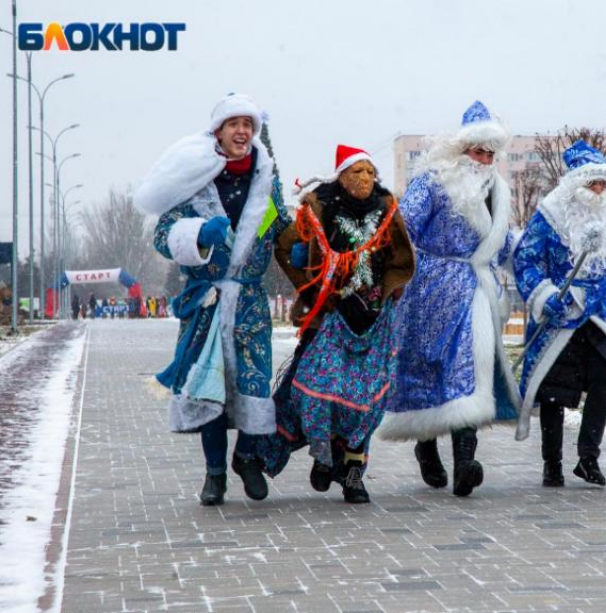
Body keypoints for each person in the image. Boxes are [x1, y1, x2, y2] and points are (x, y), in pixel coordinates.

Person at [134, 93, 290, 506]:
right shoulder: (196, 175)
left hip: (251, 302)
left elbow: (284, 226)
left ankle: (246, 458)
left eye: (248, 124)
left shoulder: (266, 176)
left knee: (255, 384)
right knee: (210, 388)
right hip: (207, 299)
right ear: (218, 131)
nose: (242, 131)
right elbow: (163, 234)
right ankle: (215, 473)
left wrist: (301, 250)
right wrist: (197, 234)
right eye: (233, 123)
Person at [377, 101, 520, 497]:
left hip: (475, 291)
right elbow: (403, 229)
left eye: (492, 154)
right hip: (428, 291)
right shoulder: (433, 181)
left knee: (469, 369)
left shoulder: (498, 191)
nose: (485, 160)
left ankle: (465, 462)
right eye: (479, 151)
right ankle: (426, 448)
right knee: (428, 371)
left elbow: (502, 241)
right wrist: (402, 276)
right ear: (461, 150)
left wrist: (533, 264)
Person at [257, 145, 414, 504]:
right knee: (314, 389)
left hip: (374, 320)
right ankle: (323, 454)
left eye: (370, 172)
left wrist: (389, 289)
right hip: (331, 318)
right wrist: (310, 288)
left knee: (367, 398)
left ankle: (354, 472)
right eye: (356, 171)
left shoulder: (387, 209)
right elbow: (286, 246)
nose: (365, 179)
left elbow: (400, 257)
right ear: (341, 175)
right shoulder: (320, 209)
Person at [513, 141, 606, 487]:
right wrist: (544, 294)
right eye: (591, 184)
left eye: (603, 184)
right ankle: (552, 463)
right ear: (574, 185)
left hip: (598, 313)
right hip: (559, 312)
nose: (598, 191)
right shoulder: (549, 215)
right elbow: (526, 260)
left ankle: (588, 456)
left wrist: (603, 272)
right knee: (554, 387)